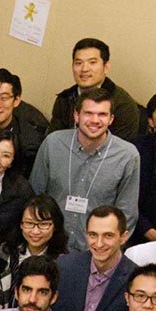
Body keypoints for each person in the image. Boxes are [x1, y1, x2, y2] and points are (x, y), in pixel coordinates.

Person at [30, 87, 141, 250]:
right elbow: (35, 197)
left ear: (111, 119)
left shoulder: (127, 156)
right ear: (77, 116)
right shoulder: (53, 144)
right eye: (88, 113)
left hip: (96, 253)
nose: (95, 120)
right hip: (49, 247)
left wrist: (104, 253)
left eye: (102, 114)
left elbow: (127, 215)